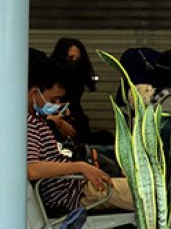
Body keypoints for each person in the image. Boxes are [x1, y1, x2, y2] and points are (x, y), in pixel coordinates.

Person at [26, 54, 134, 217]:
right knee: (146, 195)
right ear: (35, 92)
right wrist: (80, 167)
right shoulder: (28, 124)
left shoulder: (37, 119)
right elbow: (32, 168)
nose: (56, 105)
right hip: (72, 194)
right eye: (54, 99)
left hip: (75, 186)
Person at [49, 37, 97, 143]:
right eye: (70, 58)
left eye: (78, 59)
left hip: (77, 123)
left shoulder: (79, 79)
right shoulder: (49, 81)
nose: (74, 63)